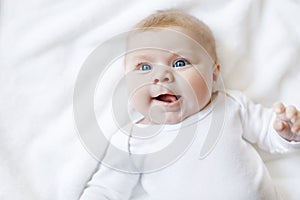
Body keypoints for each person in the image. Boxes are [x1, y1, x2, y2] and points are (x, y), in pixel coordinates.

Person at [80, 10, 300, 199]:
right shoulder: (132, 139)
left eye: (179, 63)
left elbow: (267, 133)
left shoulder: (229, 105)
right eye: (144, 67)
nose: (161, 75)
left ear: (214, 76)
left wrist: (287, 132)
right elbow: (106, 190)